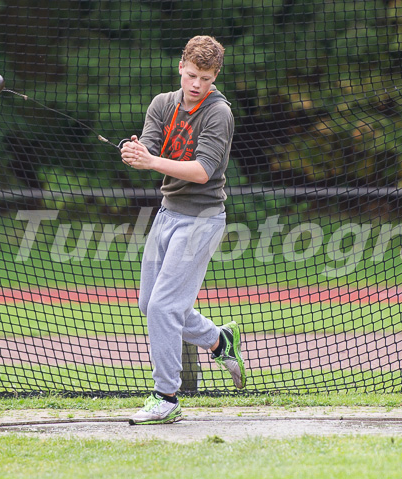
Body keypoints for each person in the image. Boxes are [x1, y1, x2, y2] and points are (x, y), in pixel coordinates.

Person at [121, 35, 246, 425]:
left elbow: (202, 171)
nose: (197, 84)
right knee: (150, 306)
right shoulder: (162, 103)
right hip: (168, 213)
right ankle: (218, 340)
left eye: (205, 78)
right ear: (181, 67)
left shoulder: (218, 112)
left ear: (215, 76)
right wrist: (135, 152)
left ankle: (167, 397)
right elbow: (151, 147)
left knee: (164, 308)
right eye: (192, 75)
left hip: (202, 218)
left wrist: (151, 161)